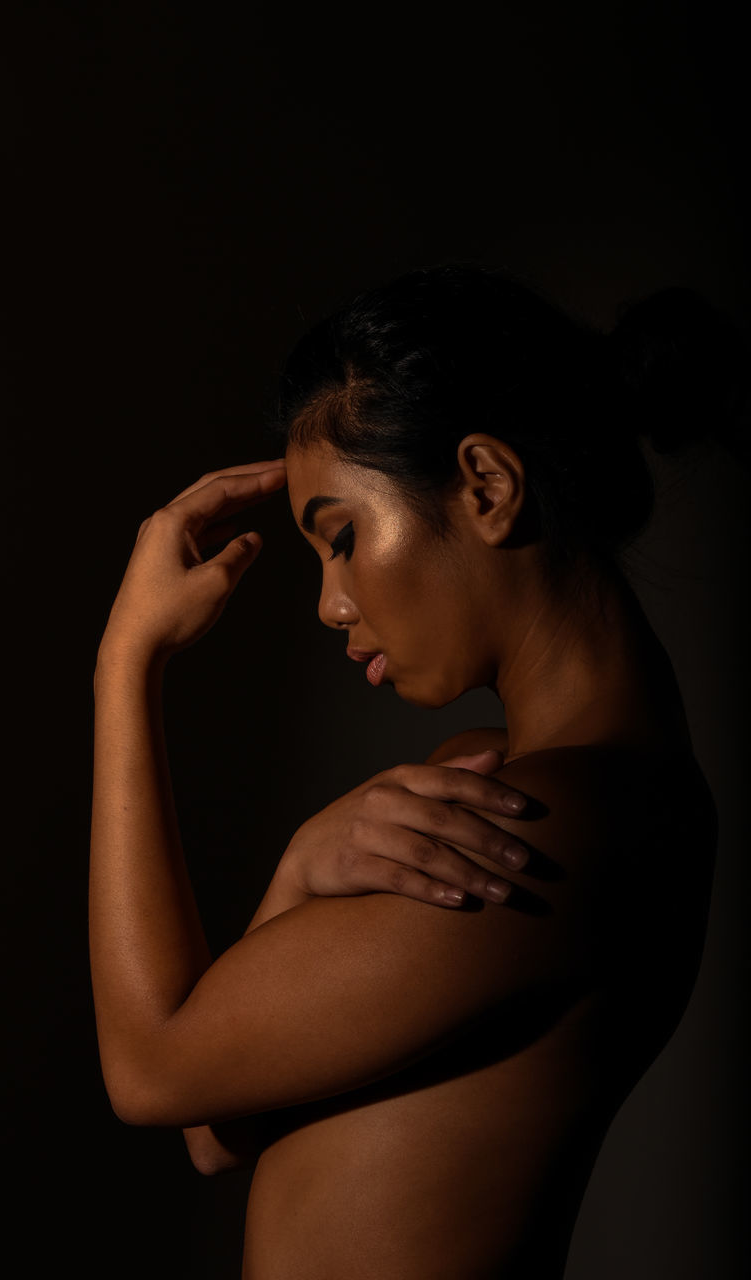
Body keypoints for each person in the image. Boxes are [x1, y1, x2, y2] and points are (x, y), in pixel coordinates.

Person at [90, 263, 746, 1278]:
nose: (330, 605)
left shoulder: (560, 823)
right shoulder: (488, 778)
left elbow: (151, 1070)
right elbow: (218, 1125)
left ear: (485, 485)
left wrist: (126, 666)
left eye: (342, 538)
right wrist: (300, 866)